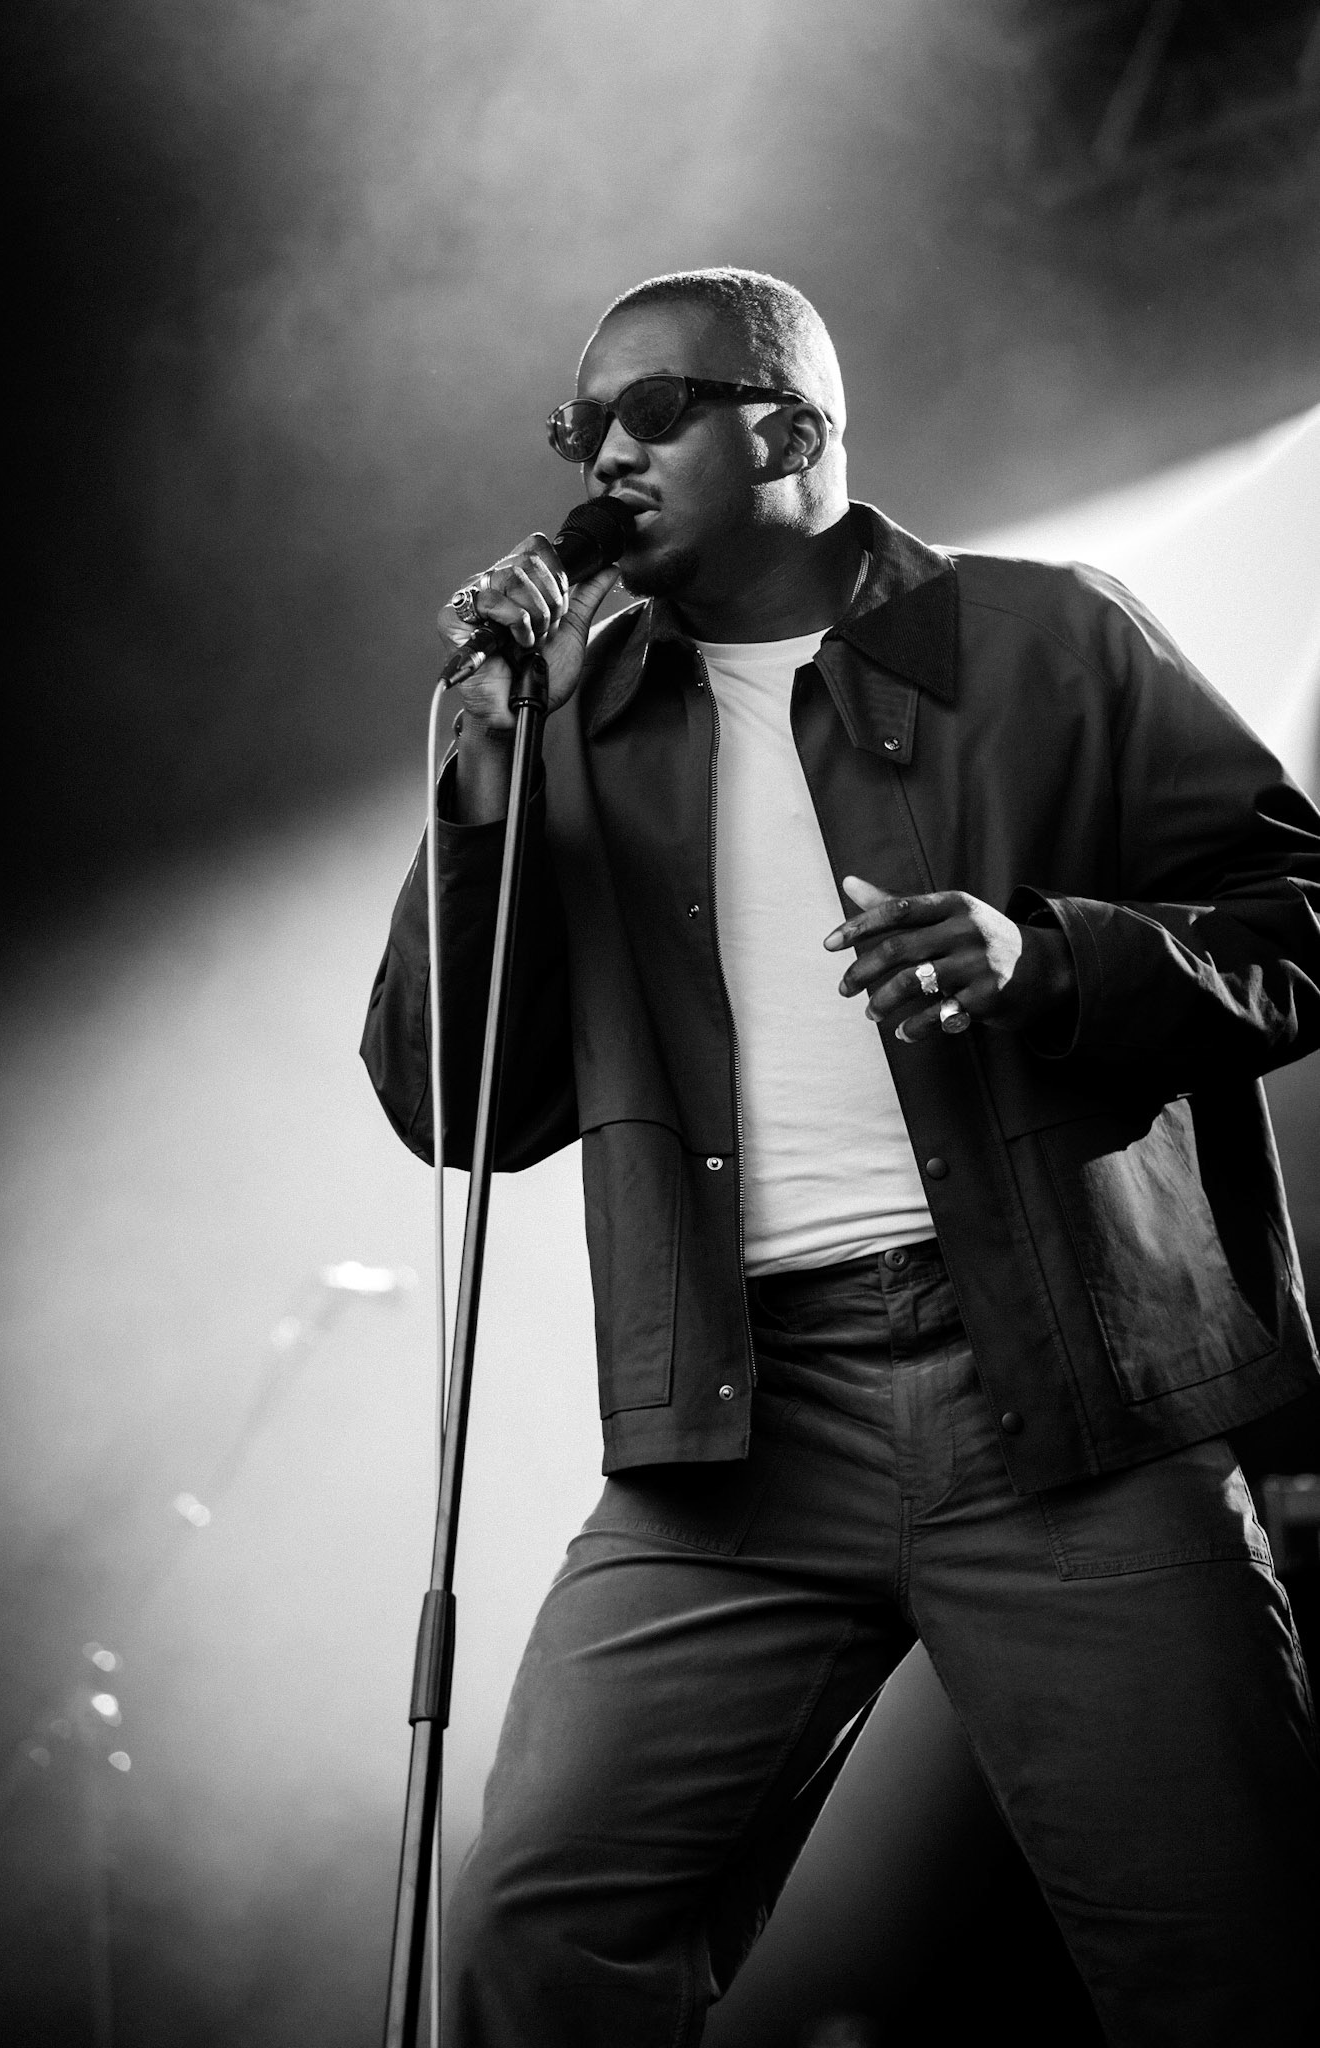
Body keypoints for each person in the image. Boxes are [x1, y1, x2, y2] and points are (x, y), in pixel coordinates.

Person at [362, 268, 1320, 2046]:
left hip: (1061, 1396)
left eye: (653, 412)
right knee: (536, 1930)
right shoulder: (561, 727)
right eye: (581, 430)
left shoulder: (1045, 639)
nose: (603, 455)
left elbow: (1308, 912)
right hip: (728, 1434)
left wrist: (1053, 955)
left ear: (790, 428)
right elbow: (455, 1109)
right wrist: (480, 792)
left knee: (1229, 1968)